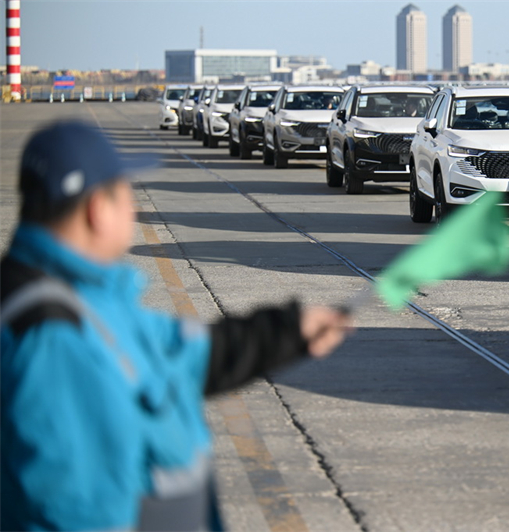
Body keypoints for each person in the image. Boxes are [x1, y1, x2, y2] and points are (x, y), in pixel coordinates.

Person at [0, 121, 352, 530]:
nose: (135, 208)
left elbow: (179, 352)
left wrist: (288, 331)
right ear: (98, 209)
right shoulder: (53, 340)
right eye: (127, 194)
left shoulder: (80, 295)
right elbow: (81, 512)